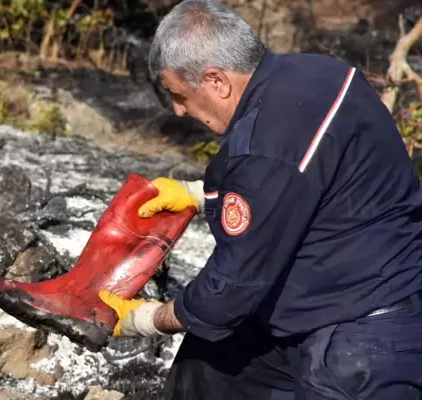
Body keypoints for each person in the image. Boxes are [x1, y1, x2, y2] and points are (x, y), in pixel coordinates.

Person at [97, 0, 422, 398]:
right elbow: (305, 187)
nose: (179, 111)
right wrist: (198, 196)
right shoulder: (324, 74)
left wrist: (145, 319)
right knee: (202, 370)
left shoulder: (266, 145)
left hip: (362, 338)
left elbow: (231, 286)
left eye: (178, 94)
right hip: (322, 297)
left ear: (217, 80)